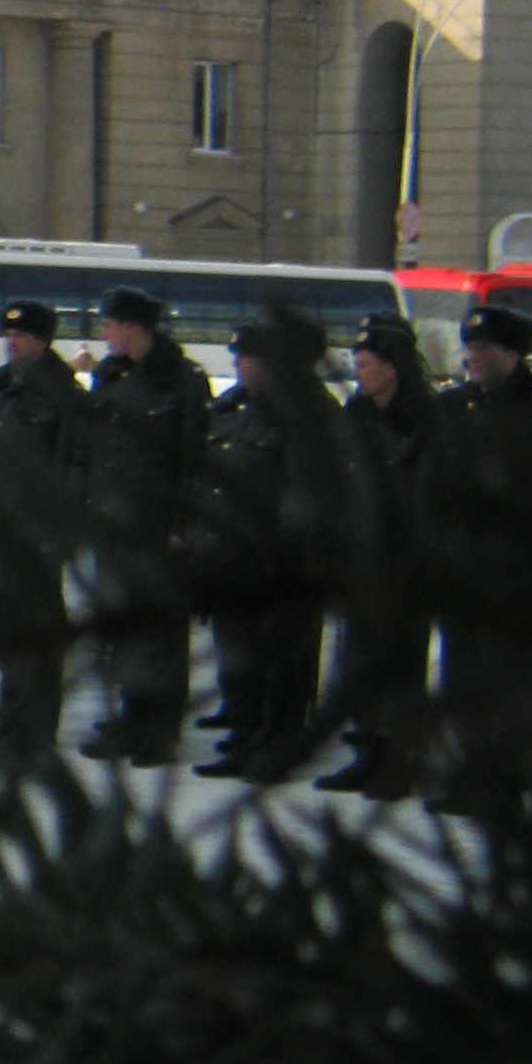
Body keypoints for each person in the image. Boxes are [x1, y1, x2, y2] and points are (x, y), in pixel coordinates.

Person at [427, 302, 532, 810]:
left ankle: (512, 779)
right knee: (462, 679)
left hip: (511, 577)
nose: (472, 356)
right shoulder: (452, 408)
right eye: (469, 346)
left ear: (513, 354)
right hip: (456, 569)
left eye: (484, 347)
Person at [187, 311, 336, 780]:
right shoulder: (236, 408)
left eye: (248, 356)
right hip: (229, 559)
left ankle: (276, 745)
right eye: (237, 355)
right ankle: (246, 737)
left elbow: (307, 493)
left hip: (277, 565)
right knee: (240, 662)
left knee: (280, 667)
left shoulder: (303, 412)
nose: (239, 364)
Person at [74, 285, 211, 765]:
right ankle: (131, 714)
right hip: (114, 525)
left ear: (134, 327)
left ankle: (159, 725)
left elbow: (195, 460)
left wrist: (183, 522)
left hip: (157, 527)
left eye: (109, 324)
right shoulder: (110, 376)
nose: (104, 333)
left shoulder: (181, 381)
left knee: (161, 632)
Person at [313, 312, 436, 799]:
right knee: (358, 660)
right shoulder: (356, 415)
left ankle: (399, 759)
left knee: (401, 664)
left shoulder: (425, 419)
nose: (359, 371)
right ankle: (366, 751)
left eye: (366, 363)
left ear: (394, 367)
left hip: (405, 562)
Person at [0, 299, 84, 749]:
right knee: (8, 630)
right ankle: (13, 716)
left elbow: (71, 463)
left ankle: (37, 724)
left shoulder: (62, 393)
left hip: (38, 533)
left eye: (23, 335)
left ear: (43, 340)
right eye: (9, 334)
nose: (12, 342)